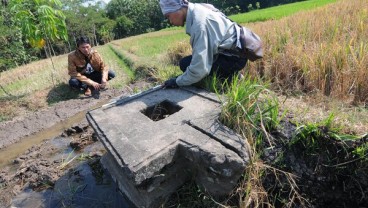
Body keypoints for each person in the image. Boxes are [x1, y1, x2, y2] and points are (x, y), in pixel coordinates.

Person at [159, 0, 248, 88]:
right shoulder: (198, 8)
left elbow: (199, 69)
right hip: (233, 51)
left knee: (187, 65)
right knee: (185, 62)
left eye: (168, 16)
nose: (170, 21)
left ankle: (232, 78)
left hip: (234, 57)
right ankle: (230, 74)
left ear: (177, 8)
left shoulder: (200, 25)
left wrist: (176, 81)